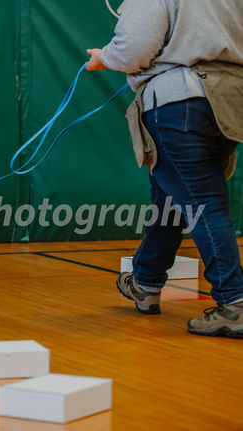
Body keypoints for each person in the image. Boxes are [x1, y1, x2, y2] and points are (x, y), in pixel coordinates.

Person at [86, 0, 243, 338]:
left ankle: (234, 302)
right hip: (230, 98)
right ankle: (146, 282)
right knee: (170, 198)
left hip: (179, 100)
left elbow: (134, 47)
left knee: (202, 203)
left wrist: (105, 58)